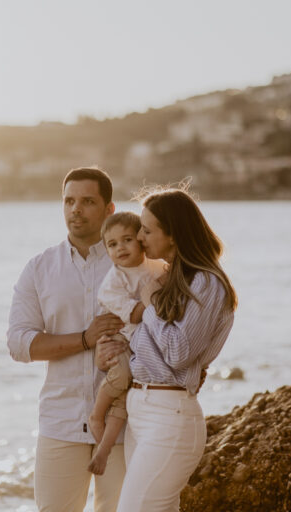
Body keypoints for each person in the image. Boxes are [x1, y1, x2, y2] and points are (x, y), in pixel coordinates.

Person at [99, 186, 238, 512]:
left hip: (170, 415)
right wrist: (117, 345)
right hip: (143, 409)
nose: (140, 238)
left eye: (147, 230)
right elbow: (155, 342)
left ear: (173, 235)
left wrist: (148, 305)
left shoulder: (207, 282)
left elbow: (177, 352)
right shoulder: (170, 278)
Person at [7, 167, 129, 512]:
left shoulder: (132, 266)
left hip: (123, 425)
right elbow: (19, 343)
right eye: (69, 201)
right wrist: (85, 339)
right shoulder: (39, 268)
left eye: (87, 201)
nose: (76, 209)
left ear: (109, 210)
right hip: (61, 421)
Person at [87, 211, 166, 476]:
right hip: (121, 337)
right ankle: (97, 414)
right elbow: (134, 314)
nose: (120, 248)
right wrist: (156, 292)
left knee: (124, 400)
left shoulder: (157, 267)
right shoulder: (112, 282)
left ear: (141, 240)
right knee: (122, 376)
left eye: (127, 239)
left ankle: (104, 450)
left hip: (141, 341)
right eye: (112, 244)